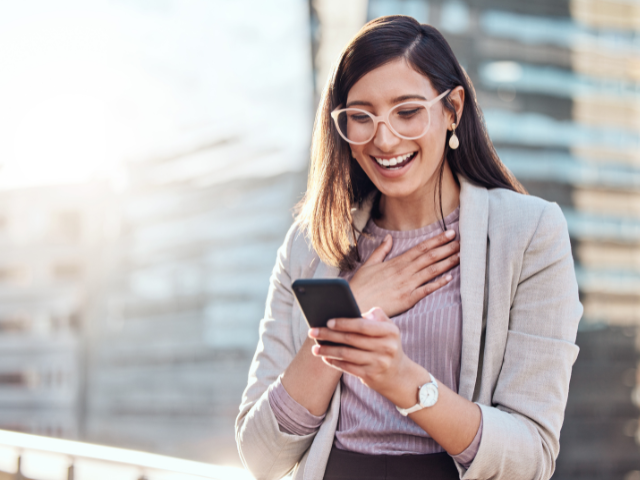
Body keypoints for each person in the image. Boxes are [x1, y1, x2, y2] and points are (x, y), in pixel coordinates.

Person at [236, 15, 582, 480]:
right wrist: (350, 310)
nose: (383, 138)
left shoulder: (530, 233)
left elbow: (531, 458)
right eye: (361, 117)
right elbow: (261, 456)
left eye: (407, 112)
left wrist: (400, 378)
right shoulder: (311, 242)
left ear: (452, 109)